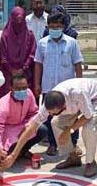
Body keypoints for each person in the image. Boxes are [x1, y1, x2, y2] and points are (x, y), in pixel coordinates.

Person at [1, 78, 97, 178]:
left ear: (64, 107)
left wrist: (69, 130)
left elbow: (87, 116)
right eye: (51, 113)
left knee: (88, 128)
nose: (52, 114)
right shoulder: (48, 103)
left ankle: (91, 162)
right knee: (55, 122)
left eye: (57, 113)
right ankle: (73, 157)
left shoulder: (78, 93)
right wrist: (14, 154)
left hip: (95, 97)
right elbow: (31, 128)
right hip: (76, 104)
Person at [34, 12, 84, 156]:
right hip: (48, 88)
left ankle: (73, 144)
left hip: (68, 89)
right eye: (52, 26)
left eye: (58, 26)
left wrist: (79, 84)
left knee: (72, 116)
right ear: (48, 26)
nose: (55, 29)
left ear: (63, 27)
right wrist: (37, 84)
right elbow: (38, 64)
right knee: (49, 118)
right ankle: (52, 144)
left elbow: (77, 64)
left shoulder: (71, 42)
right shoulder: (42, 43)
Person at [0, 73, 48, 162]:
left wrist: (28, 126)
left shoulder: (29, 94)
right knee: (4, 156)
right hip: (7, 130)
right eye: (18, 89)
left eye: (24, 88)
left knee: (42, 129)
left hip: (22, 125)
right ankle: (11, 152)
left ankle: (23, 151)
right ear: (11, 88)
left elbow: (34, 113)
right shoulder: (3, 106)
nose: (22, 91)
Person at [0, 7, 37, 100]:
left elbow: (32, 54)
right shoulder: (5, 36)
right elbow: (3, 56)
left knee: (26, 101)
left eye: (21, 20)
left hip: (26, 74)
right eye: (16, 20)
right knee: (8, 101)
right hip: (8, 75)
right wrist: (12, 70)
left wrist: (23, 68)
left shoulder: (30, 35)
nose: (19, 23)